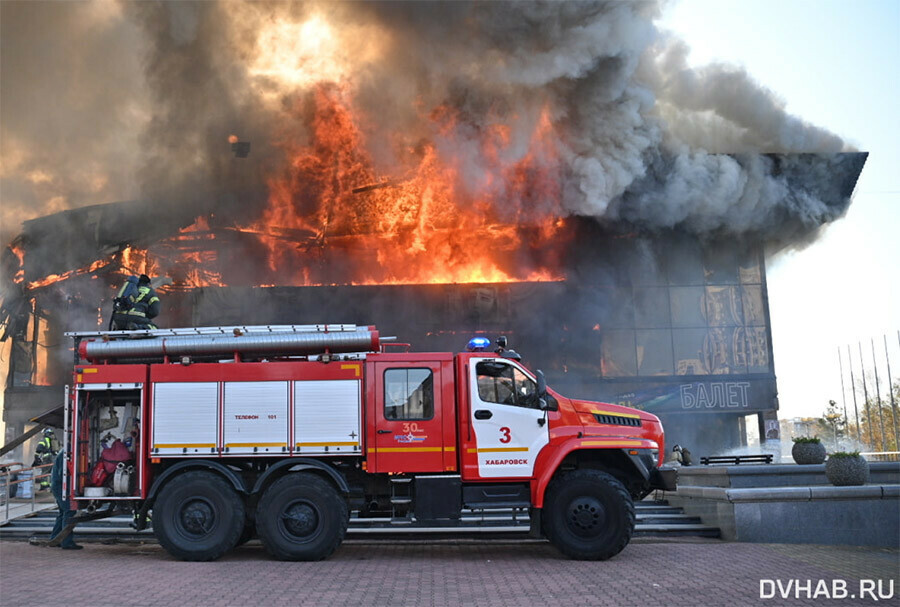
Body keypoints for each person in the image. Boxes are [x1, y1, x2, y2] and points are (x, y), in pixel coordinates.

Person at [49, 449, 81, 549]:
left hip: (58, 486)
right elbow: (64, 473)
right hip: (61, 487)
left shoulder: (64, 452)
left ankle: (56, 538)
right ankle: (66, 542)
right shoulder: (67, 453)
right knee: (69, 511)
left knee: (62, 513)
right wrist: (70, 490)